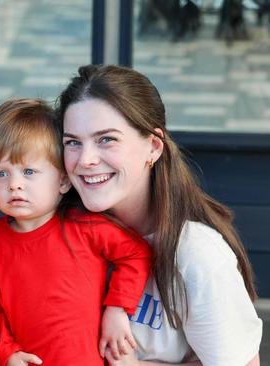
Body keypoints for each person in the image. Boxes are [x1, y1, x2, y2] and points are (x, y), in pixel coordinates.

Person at [56, 64, 262, 366]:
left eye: (106, 139)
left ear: (153, 147)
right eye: (73, 142)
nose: (85, 160)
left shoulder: (197, 254)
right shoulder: (59, 232)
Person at [0, 98, 153, 366]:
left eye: (29, 171)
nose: (14, 185)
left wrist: (117, 309)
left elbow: (137, 254)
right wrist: (7, 352)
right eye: (1, 173)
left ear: (64, 180)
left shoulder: (85, 227)